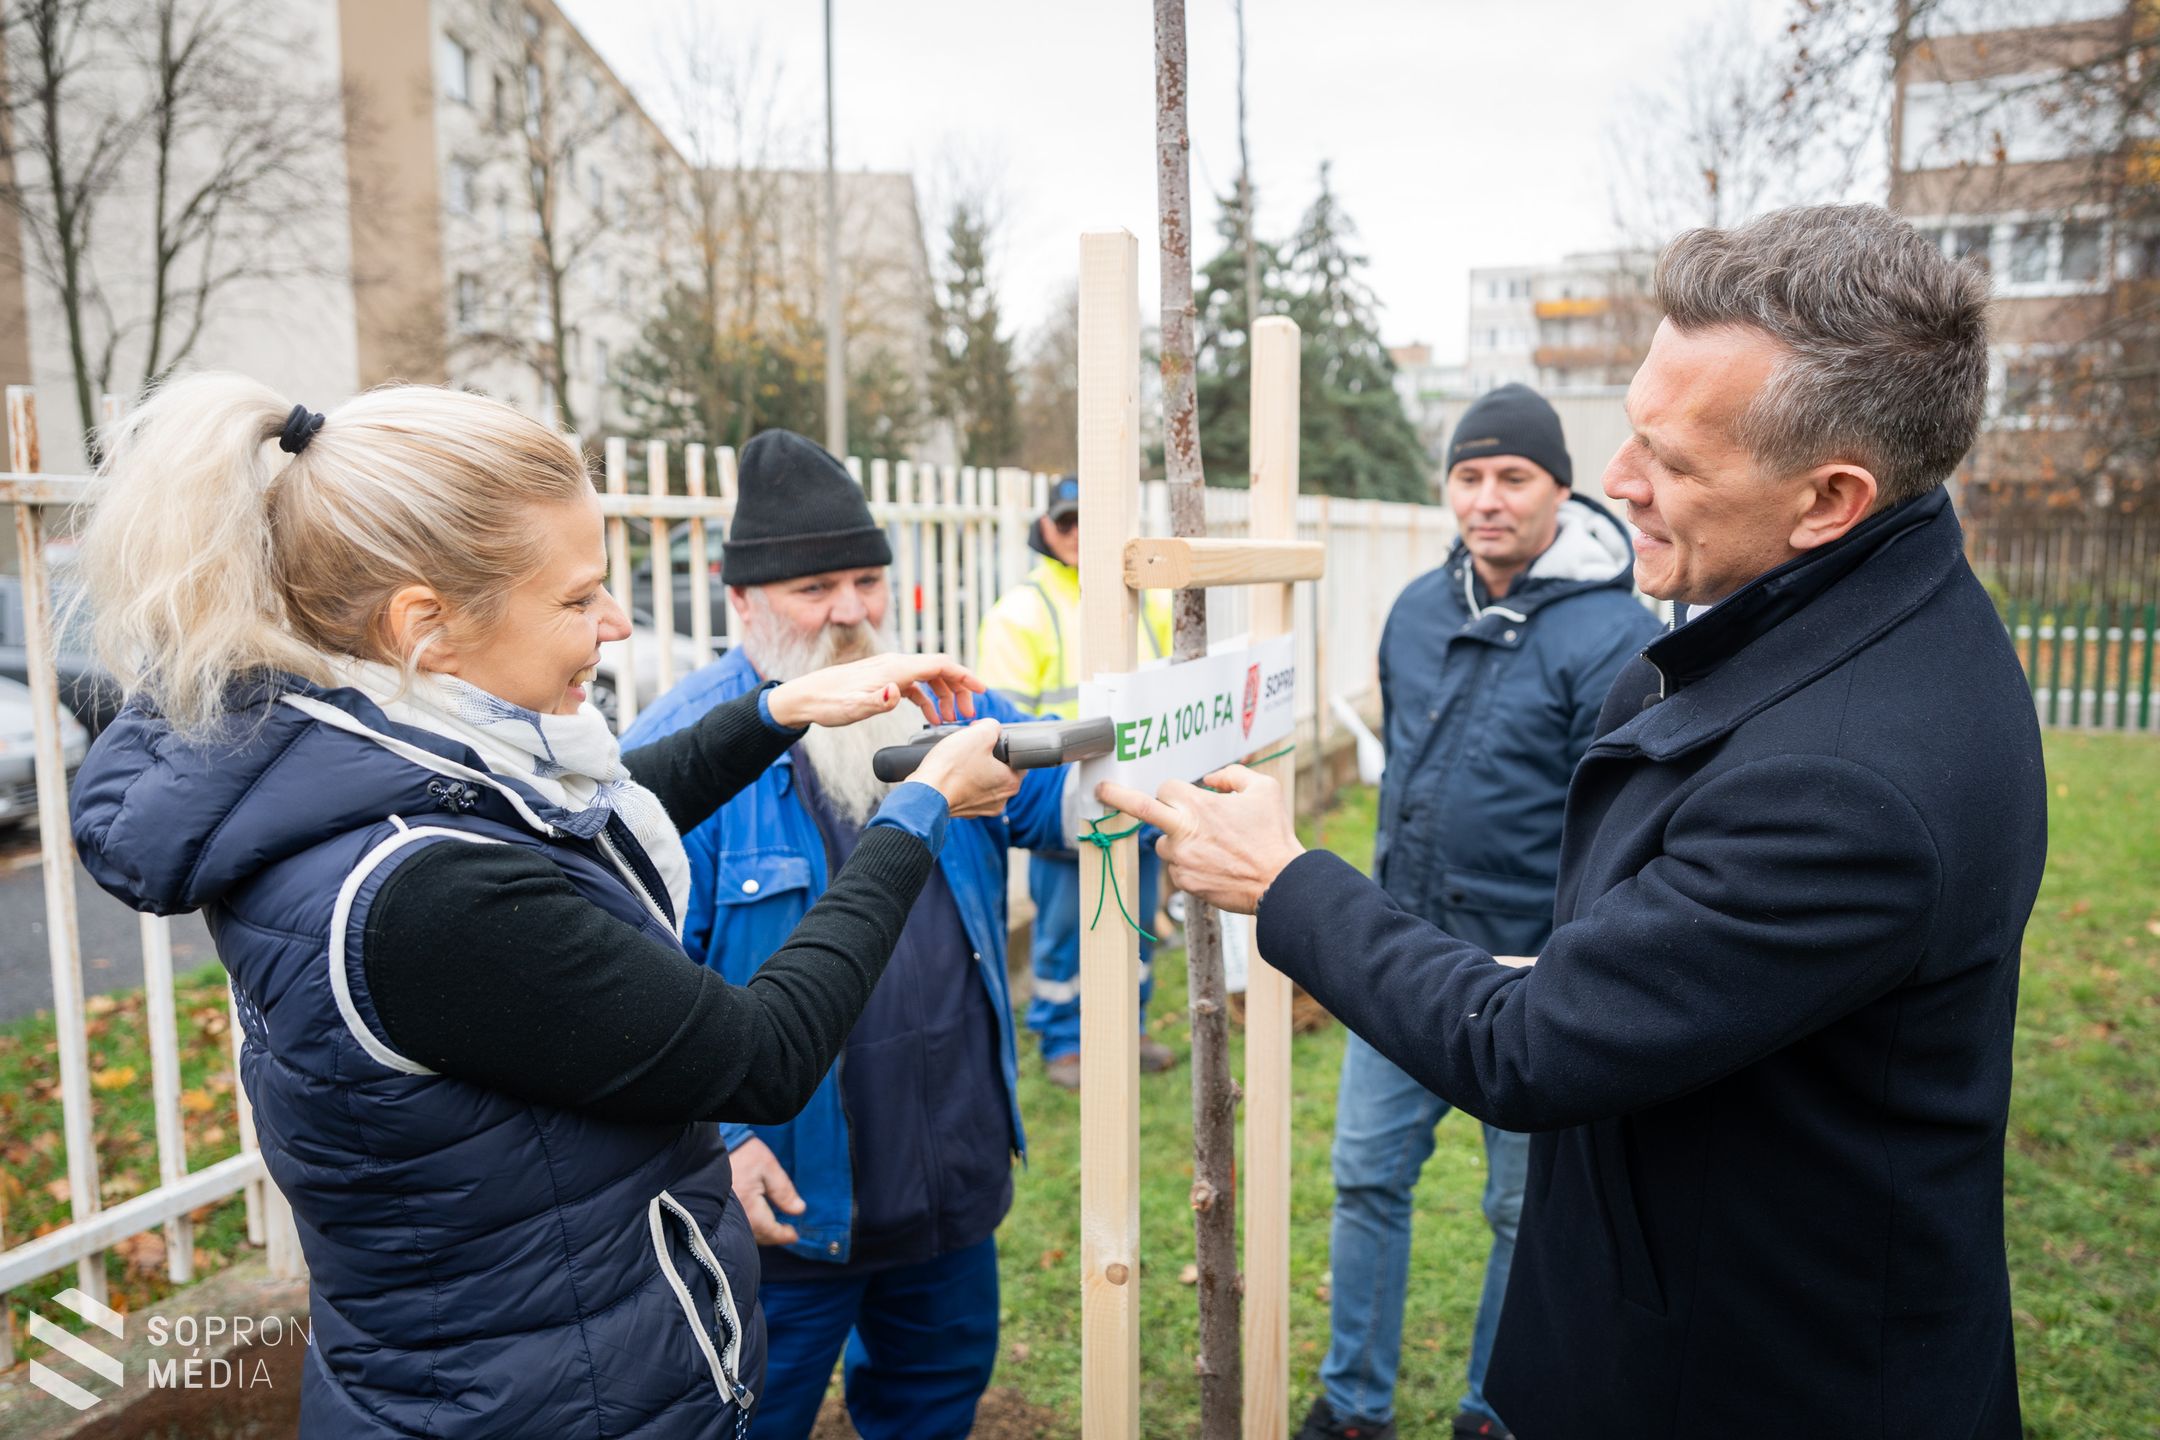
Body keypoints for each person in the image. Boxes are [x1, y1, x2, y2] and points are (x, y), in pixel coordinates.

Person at [1104, 205, 2046, 1438]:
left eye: (1669, 458)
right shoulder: (1843, 610)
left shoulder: (1846, 784)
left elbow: (1528, 1051)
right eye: (1629, 432)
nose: (1616, 482)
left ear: (1829, 497)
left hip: (1753, 1380)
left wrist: (1286, 883)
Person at [68, 378, 1020, 1439]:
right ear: (425, 624)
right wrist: (919, 812)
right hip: (547, 1399)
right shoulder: (428, 894)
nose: (615, 624)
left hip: (530, 1362)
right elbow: (757, 1056)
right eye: (578, 600)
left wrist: (777, 710)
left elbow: (572, 834)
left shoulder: (337, 763)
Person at [621, 430, 1076, 1440]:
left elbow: (1066, 800)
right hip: (780, 1212)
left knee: (930, 1411)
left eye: (868, 580)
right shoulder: (678, 753)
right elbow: (635, 996)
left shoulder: (939, 704)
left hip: (950, 1188)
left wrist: (1157, 744)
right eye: (815, 588)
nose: (852, 613)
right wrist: (726, 1143)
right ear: (741, 601)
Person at [1297, 386, 1662, 1440]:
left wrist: (1571, 963)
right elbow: (1408, 760)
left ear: (1560, 489)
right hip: (1399, 947)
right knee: (1365, 1178)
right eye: (1469, 476)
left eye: (1513, 478)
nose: (1487, 499)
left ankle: (1492, 1410)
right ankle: (1353, 1405)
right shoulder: (1417, 607)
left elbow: (1623, 824)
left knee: (1521, 1212)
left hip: (1533, 977)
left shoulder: (1618, 636)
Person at [977, 474, 1177, 1089]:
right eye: (1068, 522)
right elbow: (1002, 724)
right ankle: (1064, 1038)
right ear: (1046, 529)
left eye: (1092, 521)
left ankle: (1130, 1026)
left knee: (1137, 919)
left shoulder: (1153, 604)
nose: (1079, 535)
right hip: (1061, 803)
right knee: (1065, 928)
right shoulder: (1022, 613)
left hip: (1137, 794)